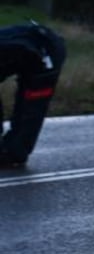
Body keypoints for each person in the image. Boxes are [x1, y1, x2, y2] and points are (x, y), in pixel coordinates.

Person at [0, 22, 66, 168]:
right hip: (30, 49)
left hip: (47, 52)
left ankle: (15, 153)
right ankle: (11, 150)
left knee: (31, 109)